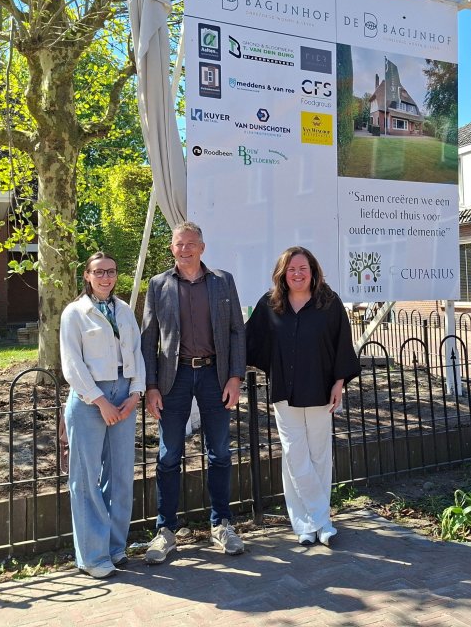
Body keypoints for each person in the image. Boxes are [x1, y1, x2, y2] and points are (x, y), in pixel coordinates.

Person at [140, 221, 246, 563]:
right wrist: (151, 386)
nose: (184, 250)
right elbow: (148, 338)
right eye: (178, 244)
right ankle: (165, 530)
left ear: (202, 247)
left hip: (215, 375)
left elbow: (236, 332)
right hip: (175, 378)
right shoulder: (159, 285)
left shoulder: (222, 281)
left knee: (219, 452)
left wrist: (235, 377)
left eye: (190, 244)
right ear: (171, 248)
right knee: (169, 455)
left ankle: (222, 524)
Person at [245, 246, 360, 546]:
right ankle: (319, 519)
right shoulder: (270, 304)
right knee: (295, 455)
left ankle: (309, 526)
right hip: (285, 390)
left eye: (302, 268)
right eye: (291, 269)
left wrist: (339, 382)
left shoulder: (329, 303)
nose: (297, 274)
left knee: (319, 455)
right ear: (283, 273)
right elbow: (248, 340)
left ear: (313, 271)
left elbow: (342, 344)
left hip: (321, 389)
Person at [60, 252, 145, 579]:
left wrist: (136, 392)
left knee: (122, 475)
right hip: (89, 399)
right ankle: (92, 557)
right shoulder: (74, 313)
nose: (106, 278)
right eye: (99, 272)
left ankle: (114, 548)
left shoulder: (124, 311)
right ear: (87, 275)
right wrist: (100, 401)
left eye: (110, 271)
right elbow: (72, 364)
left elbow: (135, 352)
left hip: (124, 395)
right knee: (86, 479)